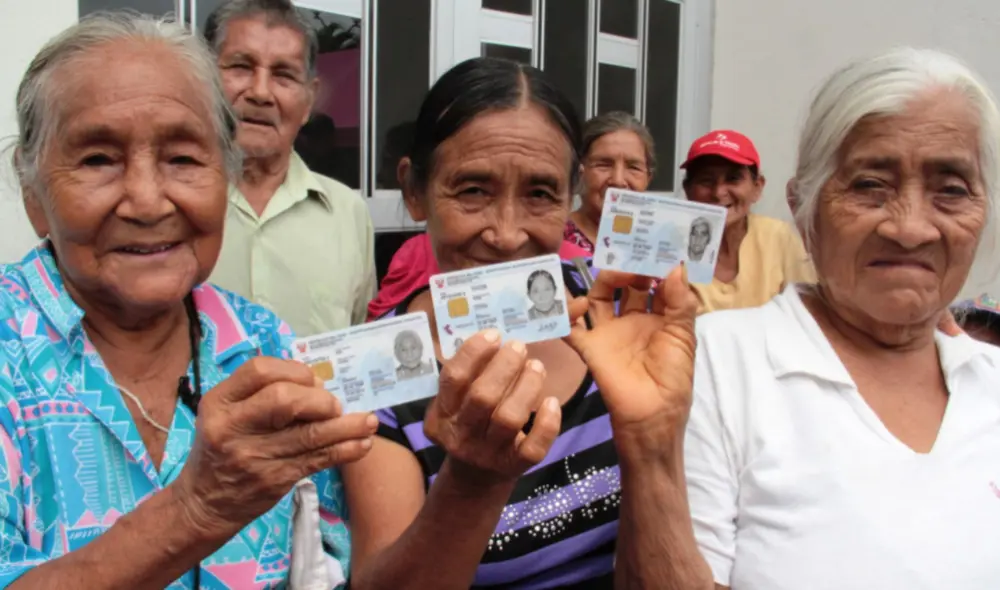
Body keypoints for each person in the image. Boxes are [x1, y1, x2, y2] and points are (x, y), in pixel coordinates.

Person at [0, 13, 380, 589]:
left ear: (224, 177)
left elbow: (325, 561)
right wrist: (195, 509)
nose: (148, 202)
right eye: (98, 160)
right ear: (33, 193)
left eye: (183, 159)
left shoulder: (264, 342)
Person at [340, 57, 705, 589]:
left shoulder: (615, 317)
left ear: (570, 197)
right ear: (415, 192)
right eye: (472, 191)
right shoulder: (377, 368)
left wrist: (651, 442)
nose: (507, 235)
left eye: (539, 193)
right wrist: (471, 481)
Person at [645, 48, 1000, 589]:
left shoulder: (989, 378)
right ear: (804, 210)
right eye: (869, 185)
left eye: (951, 190)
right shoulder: (717, 361)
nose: (910, 228)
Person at [203, 0, 376, 336]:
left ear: (309, 101)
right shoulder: (172, 205)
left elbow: (359, 339)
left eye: (283, 75)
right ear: (205, 80)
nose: (261, 92)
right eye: (241, 66)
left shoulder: (348, 213)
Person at [681, 129, 816, 313]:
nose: (718, 192)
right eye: (706, 180)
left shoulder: (782, 238)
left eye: (733, 179)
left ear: (757, 187)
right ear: (688, 190)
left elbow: (806, 313)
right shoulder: (668, 242)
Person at [566, 111, 655, 253]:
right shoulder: (554, 241)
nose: (618, 181)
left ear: (648, 178)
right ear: (580, 172)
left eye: (633, 167)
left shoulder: (659, 245)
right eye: (604, 165)